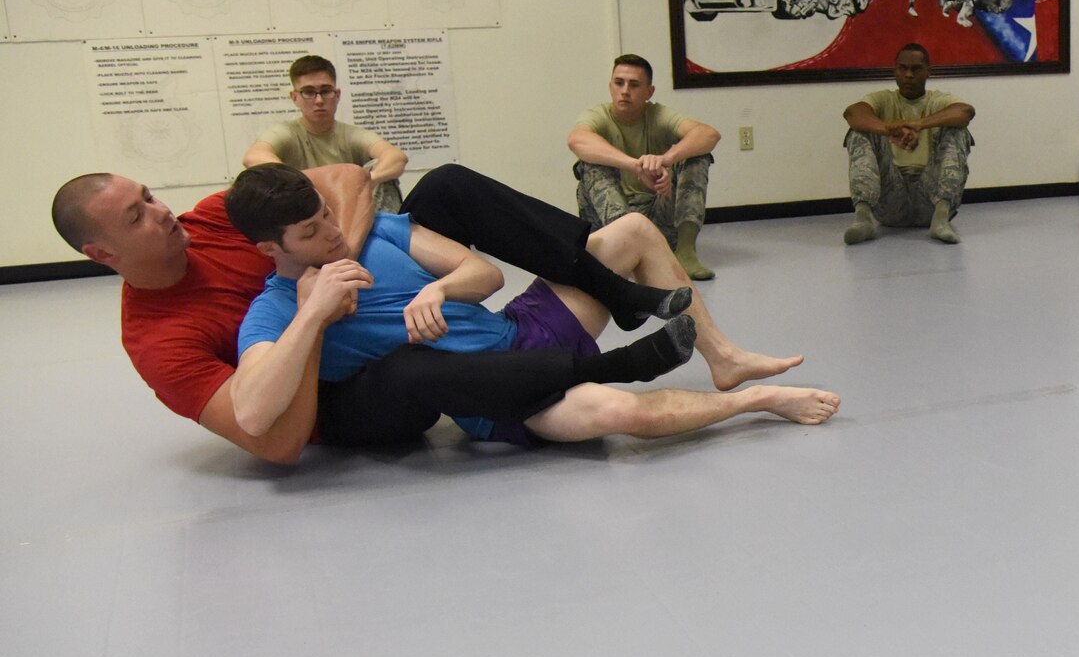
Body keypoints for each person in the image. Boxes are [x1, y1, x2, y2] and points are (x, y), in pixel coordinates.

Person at [49, 163, 796, 463]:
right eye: (138, 216)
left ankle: (719, 354)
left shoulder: (233, 218)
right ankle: (635, 372)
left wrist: (351, 246)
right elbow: (268, 436)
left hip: (508, 329)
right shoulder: (167, 335)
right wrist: (312, 314)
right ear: (101, 252)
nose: (164, 212)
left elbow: (349, 180)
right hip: (350, 402)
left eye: (150, 195)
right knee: (415, 367)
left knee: (464, 189)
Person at [222, 165, 837, 446]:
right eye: (310, 232)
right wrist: (314, 310)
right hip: (502, 398)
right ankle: (753, 400)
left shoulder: (377, 231)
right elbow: (252, 413)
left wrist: (439, 288)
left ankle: (724, 358)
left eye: (324, 214)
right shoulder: (274, 311)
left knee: (632, 232)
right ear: (269, 248)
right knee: (623, 415)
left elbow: (485, 274)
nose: (331, 233)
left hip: (523, 326)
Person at [567, 53, 721, 279]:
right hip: (610, 224)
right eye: (619, 83)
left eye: (634, 85)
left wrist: (665, 160)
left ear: (649, 92)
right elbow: (576, 140)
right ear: (610, 87)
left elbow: (709, 134)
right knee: (589, 164)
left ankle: (685, 251)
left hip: (656, 217)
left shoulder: (658, 115)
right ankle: (624, 248)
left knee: (698, 157)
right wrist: (634, 165)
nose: (625, 90)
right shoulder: (597, 116)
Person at [840, 43, 976, 245]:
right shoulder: (883, 99)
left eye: (916, 69)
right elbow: (853, 113)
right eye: (902, 68)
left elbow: (965, 112)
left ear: (928, 71)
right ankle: (863, 219)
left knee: (958, 130)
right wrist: (889, 129)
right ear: (895, 71)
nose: (909, 75)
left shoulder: (938, 100)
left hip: (931, 198)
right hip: (890, 199)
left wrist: (919, 125)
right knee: (858, 132)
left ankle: (940, 220)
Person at [242, 55, 410, 213]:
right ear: (294, 97)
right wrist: (308, 183)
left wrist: (366, 180)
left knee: (381, 170)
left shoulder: (351, 135)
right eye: (308, 92)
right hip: (306, 211)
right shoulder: (286, 133)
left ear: (337, 95)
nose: (319, 100)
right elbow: (253, 157)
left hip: (350, 211)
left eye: (325, 91)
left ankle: (382, 237)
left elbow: (396, 157)